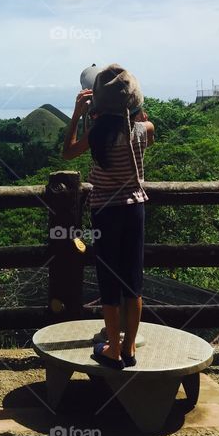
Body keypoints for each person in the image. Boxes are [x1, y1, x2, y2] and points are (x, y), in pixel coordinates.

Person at [61, 64, 154, 369]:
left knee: (109, 283)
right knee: (133, 283)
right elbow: (145, 125)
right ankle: (129, 349)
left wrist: (78, 114)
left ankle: (112, 349)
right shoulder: (143, 130)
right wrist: (132, 109)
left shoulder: (97, 134)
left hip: (106, 213)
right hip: (136, 209)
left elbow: (69, 152)